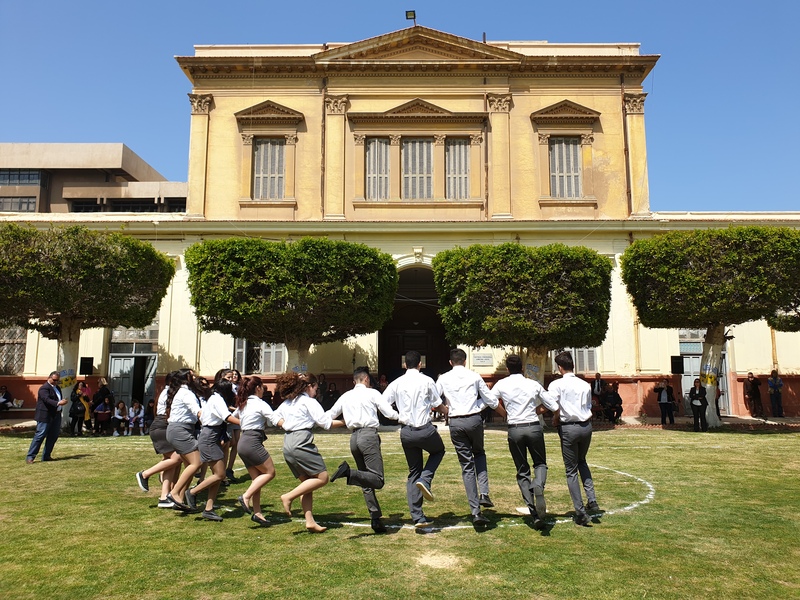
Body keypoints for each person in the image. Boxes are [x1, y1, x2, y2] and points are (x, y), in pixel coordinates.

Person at [326, 367, 401, 533]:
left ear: (354, 381)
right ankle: (348, 473)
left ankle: (375, 518)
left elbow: (329, 415)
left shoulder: (346, 396)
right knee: (377, 479)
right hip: (368, 435)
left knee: (366, 479)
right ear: (366, 379)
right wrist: (402, 417)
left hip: (354, 438)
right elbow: (388, 413)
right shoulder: (372, 393)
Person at [435, 348, 505, 526]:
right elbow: (490, 399)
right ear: (465, 361)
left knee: (466, 465)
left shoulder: (443, 378)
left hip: (456, 421)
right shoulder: (474, 376)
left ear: (450, 362)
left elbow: (433, 398)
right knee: (479, 453)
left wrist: (446, 409)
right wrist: (480, 407)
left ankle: (475, 511)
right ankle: (484, 493)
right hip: (473, 419)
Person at [491, 354, 559, 530]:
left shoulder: (502, 384)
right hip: (533, 426)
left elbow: (490, 401)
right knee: (540, 463)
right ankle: (538, 485)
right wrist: (537, 411)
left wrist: (504, 413)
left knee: (522, 470)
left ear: (507, 369)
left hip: (515, 428)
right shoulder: (532, 384)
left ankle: (533, 512)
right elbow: (552, 405)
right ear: (522, 368)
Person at [382, 350, 449, 528]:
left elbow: (382, 403)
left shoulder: (397, 383)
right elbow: (437, 404)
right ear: (420, 364)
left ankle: (417, 517)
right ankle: (425, 479)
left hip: (406, 431)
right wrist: (448, 411)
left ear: (405, 365)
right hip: (425, 429)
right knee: (439, 451)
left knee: (413, 471)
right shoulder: (427, 380)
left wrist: (396, 416)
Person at [272, 372, 344, 533]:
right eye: (315, 388)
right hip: (301, 442)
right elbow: (325, 423)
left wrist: (286, 424)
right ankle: (288, 497)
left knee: (308, 484)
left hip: (288, 443)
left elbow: (274, 417)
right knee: (322, 477)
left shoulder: (288, 402)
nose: (316, 392)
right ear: (309, 386)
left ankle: (310, 522)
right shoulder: (309, 402)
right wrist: (346, 422)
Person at [548, 351, 599, 527]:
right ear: (573, 366)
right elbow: (588, 405)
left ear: (559, 368)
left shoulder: (557, 384)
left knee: (571, 470)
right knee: (582, 461)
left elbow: (552, 405)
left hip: (568, 427)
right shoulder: (584, 384)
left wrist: (555, 418)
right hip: (586, 426)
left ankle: (580, 511)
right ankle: (592, 499)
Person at [185, 378, 240, 522]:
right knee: (220, 474)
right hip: (209, 437)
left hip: (212, 435)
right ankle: (192, 492)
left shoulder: (213, 398)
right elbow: (226, 417)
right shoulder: (217, 399)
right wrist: (245, 423)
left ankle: (208, 509)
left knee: (217, 475)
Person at [233, 375, 279, 527]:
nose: (263, 390)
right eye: (262, 387)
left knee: (257, 479)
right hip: (252, 442)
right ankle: (246, 496)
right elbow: (274, 420)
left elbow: (233, 416)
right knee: (270, 472)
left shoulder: (243, 404)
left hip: (243, 442)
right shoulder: (260, 403)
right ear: (258, 388)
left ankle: (258, 513)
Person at [135, 372, 183, 508]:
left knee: (170, 461)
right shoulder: (170, 393)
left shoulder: (170, 392)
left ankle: (164, 496)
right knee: (177, 458)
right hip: (162, 426)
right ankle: (145, 474)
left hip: (165, 425)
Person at [164, 369, 205, 512]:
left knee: (190, 465)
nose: (196, 377)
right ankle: (174, 493)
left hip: (181, 430)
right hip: (180, 430)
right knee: (197, 462)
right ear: (187, 377)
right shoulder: (186, 393)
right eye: (192, 375)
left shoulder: (185, 392)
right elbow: (197, 411)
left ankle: (180, 499)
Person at [26, 371, 68, 463]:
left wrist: (62, 402)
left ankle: (46, 456)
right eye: (54, 380)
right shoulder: (44, 388)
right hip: (45, 416)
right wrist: (58, 403)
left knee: (53, 436)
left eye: (58, 380)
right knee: (40, 435)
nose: (56, 382)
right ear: (49, 378)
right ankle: (30, 457)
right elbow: (46, 399)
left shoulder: (57, 388)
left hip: (56, 415)